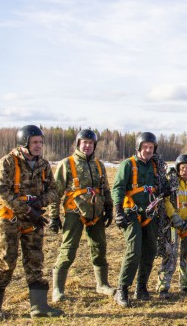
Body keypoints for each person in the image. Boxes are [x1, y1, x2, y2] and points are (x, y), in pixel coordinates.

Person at [0, 125, 63, 320]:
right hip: (10, 219)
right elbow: (0, 191)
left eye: (41, 142)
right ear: (24, 143)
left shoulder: (44, 165)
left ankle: (39, 306)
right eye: (35, 142)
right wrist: (27, 209)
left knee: (35, 261)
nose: (39, 146)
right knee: (6, 261)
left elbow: (54, 191)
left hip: (34, 220)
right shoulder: (8, 162)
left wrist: (40, 202)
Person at [49, 129, 114, 303]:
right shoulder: (67, 163)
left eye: (91, 143)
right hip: (74, 212)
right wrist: (54, 216)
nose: (87, 146)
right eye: (84, 142)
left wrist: (109, 209)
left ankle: (102, 284)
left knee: (100, 248)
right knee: (68, 250)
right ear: (78, 144)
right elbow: (56, 193)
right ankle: (58, 289)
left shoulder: (99, 165)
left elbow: (105, 188)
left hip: (97, 212)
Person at [112, 132, 166, 307]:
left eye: (151, 148)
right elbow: (118, 188)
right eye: (145, 147)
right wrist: (118, 211)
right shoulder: (128, 165)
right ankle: (122, 289)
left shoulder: (156, 166)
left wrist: (164, 190)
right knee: (134, 249)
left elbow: (159, 186)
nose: (148, 150)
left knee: (150, 250)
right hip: (131, 213)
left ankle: (141, 287)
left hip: (150, 214)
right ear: (139, 147)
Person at [157, 154, 187, 297]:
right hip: (173, 225)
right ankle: (163, 287)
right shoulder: (171, 183)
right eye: (182, 168)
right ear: (178, 168)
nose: (185, 170)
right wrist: (174, 216)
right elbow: (165, 200)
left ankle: (186, 285)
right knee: (169, 254)